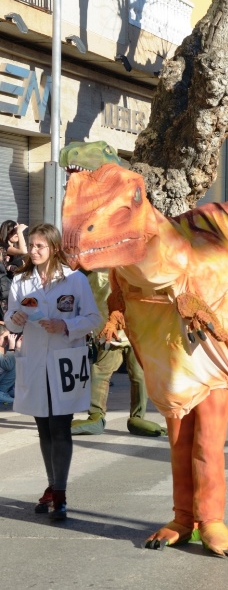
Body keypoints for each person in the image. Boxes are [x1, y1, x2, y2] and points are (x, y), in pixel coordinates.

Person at [4, 223, 102, 520]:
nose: (32, 251)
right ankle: (51, 486)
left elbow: (93, 318)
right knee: (44, 428)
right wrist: (17, 319)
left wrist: (66, 326)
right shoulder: (21, 282)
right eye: (31, 245)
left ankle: (59, 493)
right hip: (34, 361)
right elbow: (10, 321)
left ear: (54, 248)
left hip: (64, 362)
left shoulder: (74, 281)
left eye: (39, 246)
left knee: (60, 427)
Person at [70, 270, 163, 437]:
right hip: (110, 331)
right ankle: (96, 416)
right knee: (101, 371)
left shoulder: (138, 265)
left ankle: (137, 417)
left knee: (140, 374)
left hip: (138, 329)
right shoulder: (94, 267)